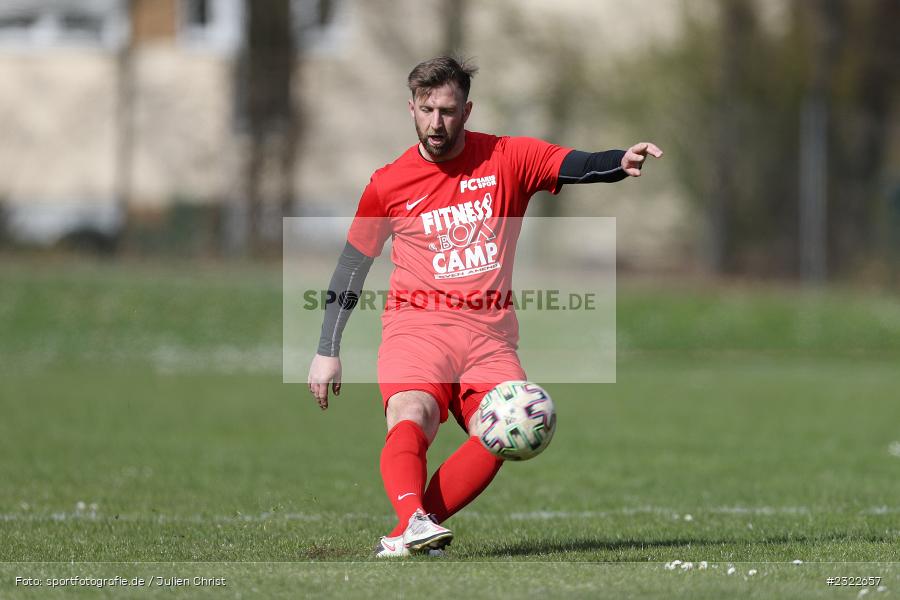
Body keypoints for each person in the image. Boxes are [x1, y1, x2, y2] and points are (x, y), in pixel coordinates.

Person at [307, 56, 662, 557]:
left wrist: (619, 161)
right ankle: (413, 522)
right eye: (426, 110)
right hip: (417, 329)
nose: (436, 122)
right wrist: (327, 348)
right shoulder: (388, 183)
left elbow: (574, 163)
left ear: (467, 110)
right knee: (413, 413)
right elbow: (351, 267)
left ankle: (410, 530)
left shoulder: (506, 157)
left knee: (508, 427)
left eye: (447, 111)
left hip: (489, 337)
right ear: (411, 108)